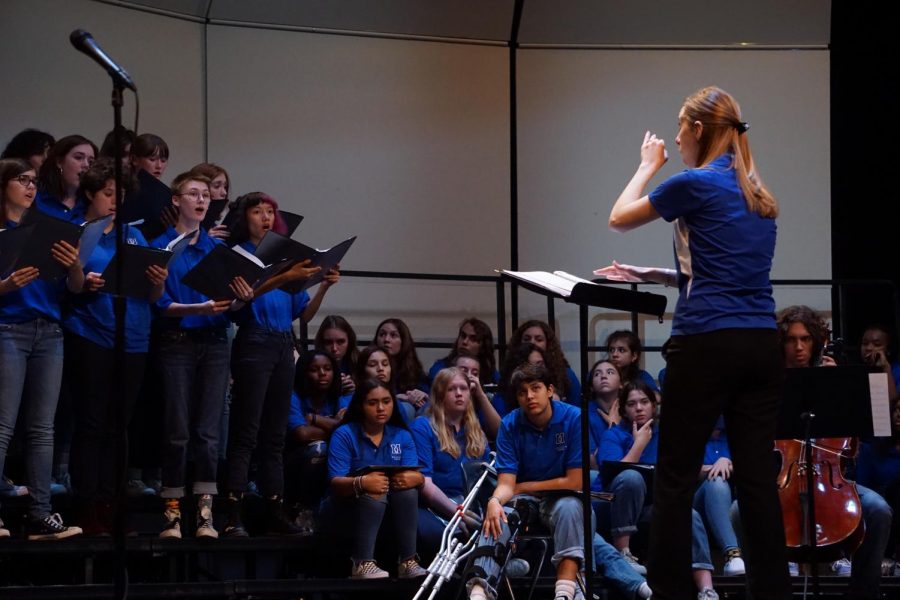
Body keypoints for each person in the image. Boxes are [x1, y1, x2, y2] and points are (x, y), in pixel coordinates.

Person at [597, 86, 789, 599]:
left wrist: (646, 165)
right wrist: (656, 274)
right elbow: (724, 272)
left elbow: (618, 218)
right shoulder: (757, 194)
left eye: (680, 130)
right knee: (755, 482)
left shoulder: (693, 182)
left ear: (698, 130)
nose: (676, 139)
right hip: (758, 346)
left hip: (705, 344)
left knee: (676, 479)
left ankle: (671, 592)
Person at [465, 364, 649, 600]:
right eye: (522, 392)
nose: (529, 396)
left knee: (574, 510)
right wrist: (494, 500)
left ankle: (566, 593)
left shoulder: (573, 418)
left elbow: (574, 481)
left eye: (535, 388)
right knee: (498, 514)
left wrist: (522, 486)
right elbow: (507, 483)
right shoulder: (510, 424)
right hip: (525, 500)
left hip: (564, 497)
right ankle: (479, 591)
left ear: (549, 390)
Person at [222, 191, 338, 537]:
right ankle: (232, 513)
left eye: (270, 211)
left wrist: (324, 288)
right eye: (258, 211)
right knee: (246, 432)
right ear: (245, 218)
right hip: (254, 340)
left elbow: (303, 313)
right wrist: (282, 279)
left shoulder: (286, 260)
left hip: (283, 343)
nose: (265, 217)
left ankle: (275, 508)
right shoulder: (237, 256)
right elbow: (236, 303)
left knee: (275, 434)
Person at [63, 158, 167, 535]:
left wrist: (159, 279)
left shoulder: (134, 235)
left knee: (118, 427)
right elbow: (69, 286)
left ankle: (111, 504)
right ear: (91, 193)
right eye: (108, 194)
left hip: (134, 337)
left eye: (121, 195)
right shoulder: (78, 231)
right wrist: (81, 276)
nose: (115, 201)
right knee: (92, 424)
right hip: (92, 333)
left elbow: (154, 296)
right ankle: (87, 505)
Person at [150, 171, 244, 539]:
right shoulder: (160, 245)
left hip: (215, 341)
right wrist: (197, 309)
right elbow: (156, 303)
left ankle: (205, 514)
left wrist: (239, 297)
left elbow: (227, 303)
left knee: (208, 432)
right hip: (176, 340)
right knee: (177, 430)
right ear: (176, 200)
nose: (202, 200)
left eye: (206, 194)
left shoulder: (217, 250)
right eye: (193, 193)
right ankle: (171, 513)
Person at [776, 305, 892, 598]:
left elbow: (865, 433)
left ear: (816, 341)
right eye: (791, 339)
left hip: (830, 478)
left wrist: (839, 388)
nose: (799, 347)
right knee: (740, 512)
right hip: (784, 479)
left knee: (878, 510)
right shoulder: (771, 384)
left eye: (805, 339)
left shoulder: (834, 376)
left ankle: (864, 592)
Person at [0, 158, 83, 539]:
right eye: (22, 180)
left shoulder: (45, 230)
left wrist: (75, 266)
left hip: (49, 331)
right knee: (3, 425)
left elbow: (75, 288)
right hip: (9, 329)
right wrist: (6, 285)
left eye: (34, 181)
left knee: (42, 429)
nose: (31, 187)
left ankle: (40, 513)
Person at [597, 380, 717, 598]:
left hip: (654, 509)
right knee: (631, 477)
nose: (639, 408)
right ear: (624, 409)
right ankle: (623, 551)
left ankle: (707, 590)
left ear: (654, 405)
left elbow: (683, 471)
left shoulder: (667, 436)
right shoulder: (614, 435)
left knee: (689, 515)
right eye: (632, 404)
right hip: (616, 509)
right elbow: (615, 476)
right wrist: (639, 444)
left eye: (644, 402)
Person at [326, 378, 427, 579]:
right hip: (346, 506)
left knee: (407, 491)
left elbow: (414, 473)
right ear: (361, 406)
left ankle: (408, 561)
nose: (381, 408)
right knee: (374, 489)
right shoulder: (344, 434)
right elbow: (335, 483)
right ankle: (361, 563)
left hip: (391, 506)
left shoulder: (401, 435)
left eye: (386, 401)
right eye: (372, 403)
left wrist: (417, 479)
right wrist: (360, 482)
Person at [411, 367, 491, 557]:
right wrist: (458, 514)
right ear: (439, 395)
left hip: (471, 505)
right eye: (451, 389)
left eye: (463, 388)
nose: (459, 393)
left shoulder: (476, 432)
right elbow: (424, 484)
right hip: (436, 505)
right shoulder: (423, 427)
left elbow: (486, 480)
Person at [285, 350, 347, 531]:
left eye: (327, 369)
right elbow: (301, 435)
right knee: (319, 449)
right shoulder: (293, 397)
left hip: (330, 466)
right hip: (293, 465)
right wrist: (333, 425)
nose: (322, 374)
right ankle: (301, 508)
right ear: (304, 373)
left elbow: (347, 430)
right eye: (314, 369)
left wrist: (314, 419)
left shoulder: (339, 399)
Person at [507, 320, 580, 403]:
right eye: (527, 339)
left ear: (548, 344)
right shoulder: (509, 373)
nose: (532, 342)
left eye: (539, 339)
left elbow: (577, 409)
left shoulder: (565, 374)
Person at [375, 318, 429, 418]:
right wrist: (398, 398)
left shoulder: (415, 371)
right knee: (406, 408)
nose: (386, 340)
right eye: (382, 334)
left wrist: (421, 395)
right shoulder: (368, 366)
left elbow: (425, 395)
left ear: (403, 341)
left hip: (413, 417)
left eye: (393, 335)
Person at [36, 135, 97, 222]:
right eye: (79, 158)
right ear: (59, 162)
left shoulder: (92, 202)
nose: (86, 165)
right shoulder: (36, 197)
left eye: (91, 162)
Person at [428, 318, 498, 387]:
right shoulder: (440, 369)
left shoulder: (492, 375)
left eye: (473, 339)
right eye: (463, 336)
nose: (465, 342)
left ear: (483, 347)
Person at [315, 315, 359, 396]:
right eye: (328, 342)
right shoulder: (311, 368)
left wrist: (356, 391)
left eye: (340, 342)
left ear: (349, 342)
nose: (334, 348)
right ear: (321, 343)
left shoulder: (360, 364)